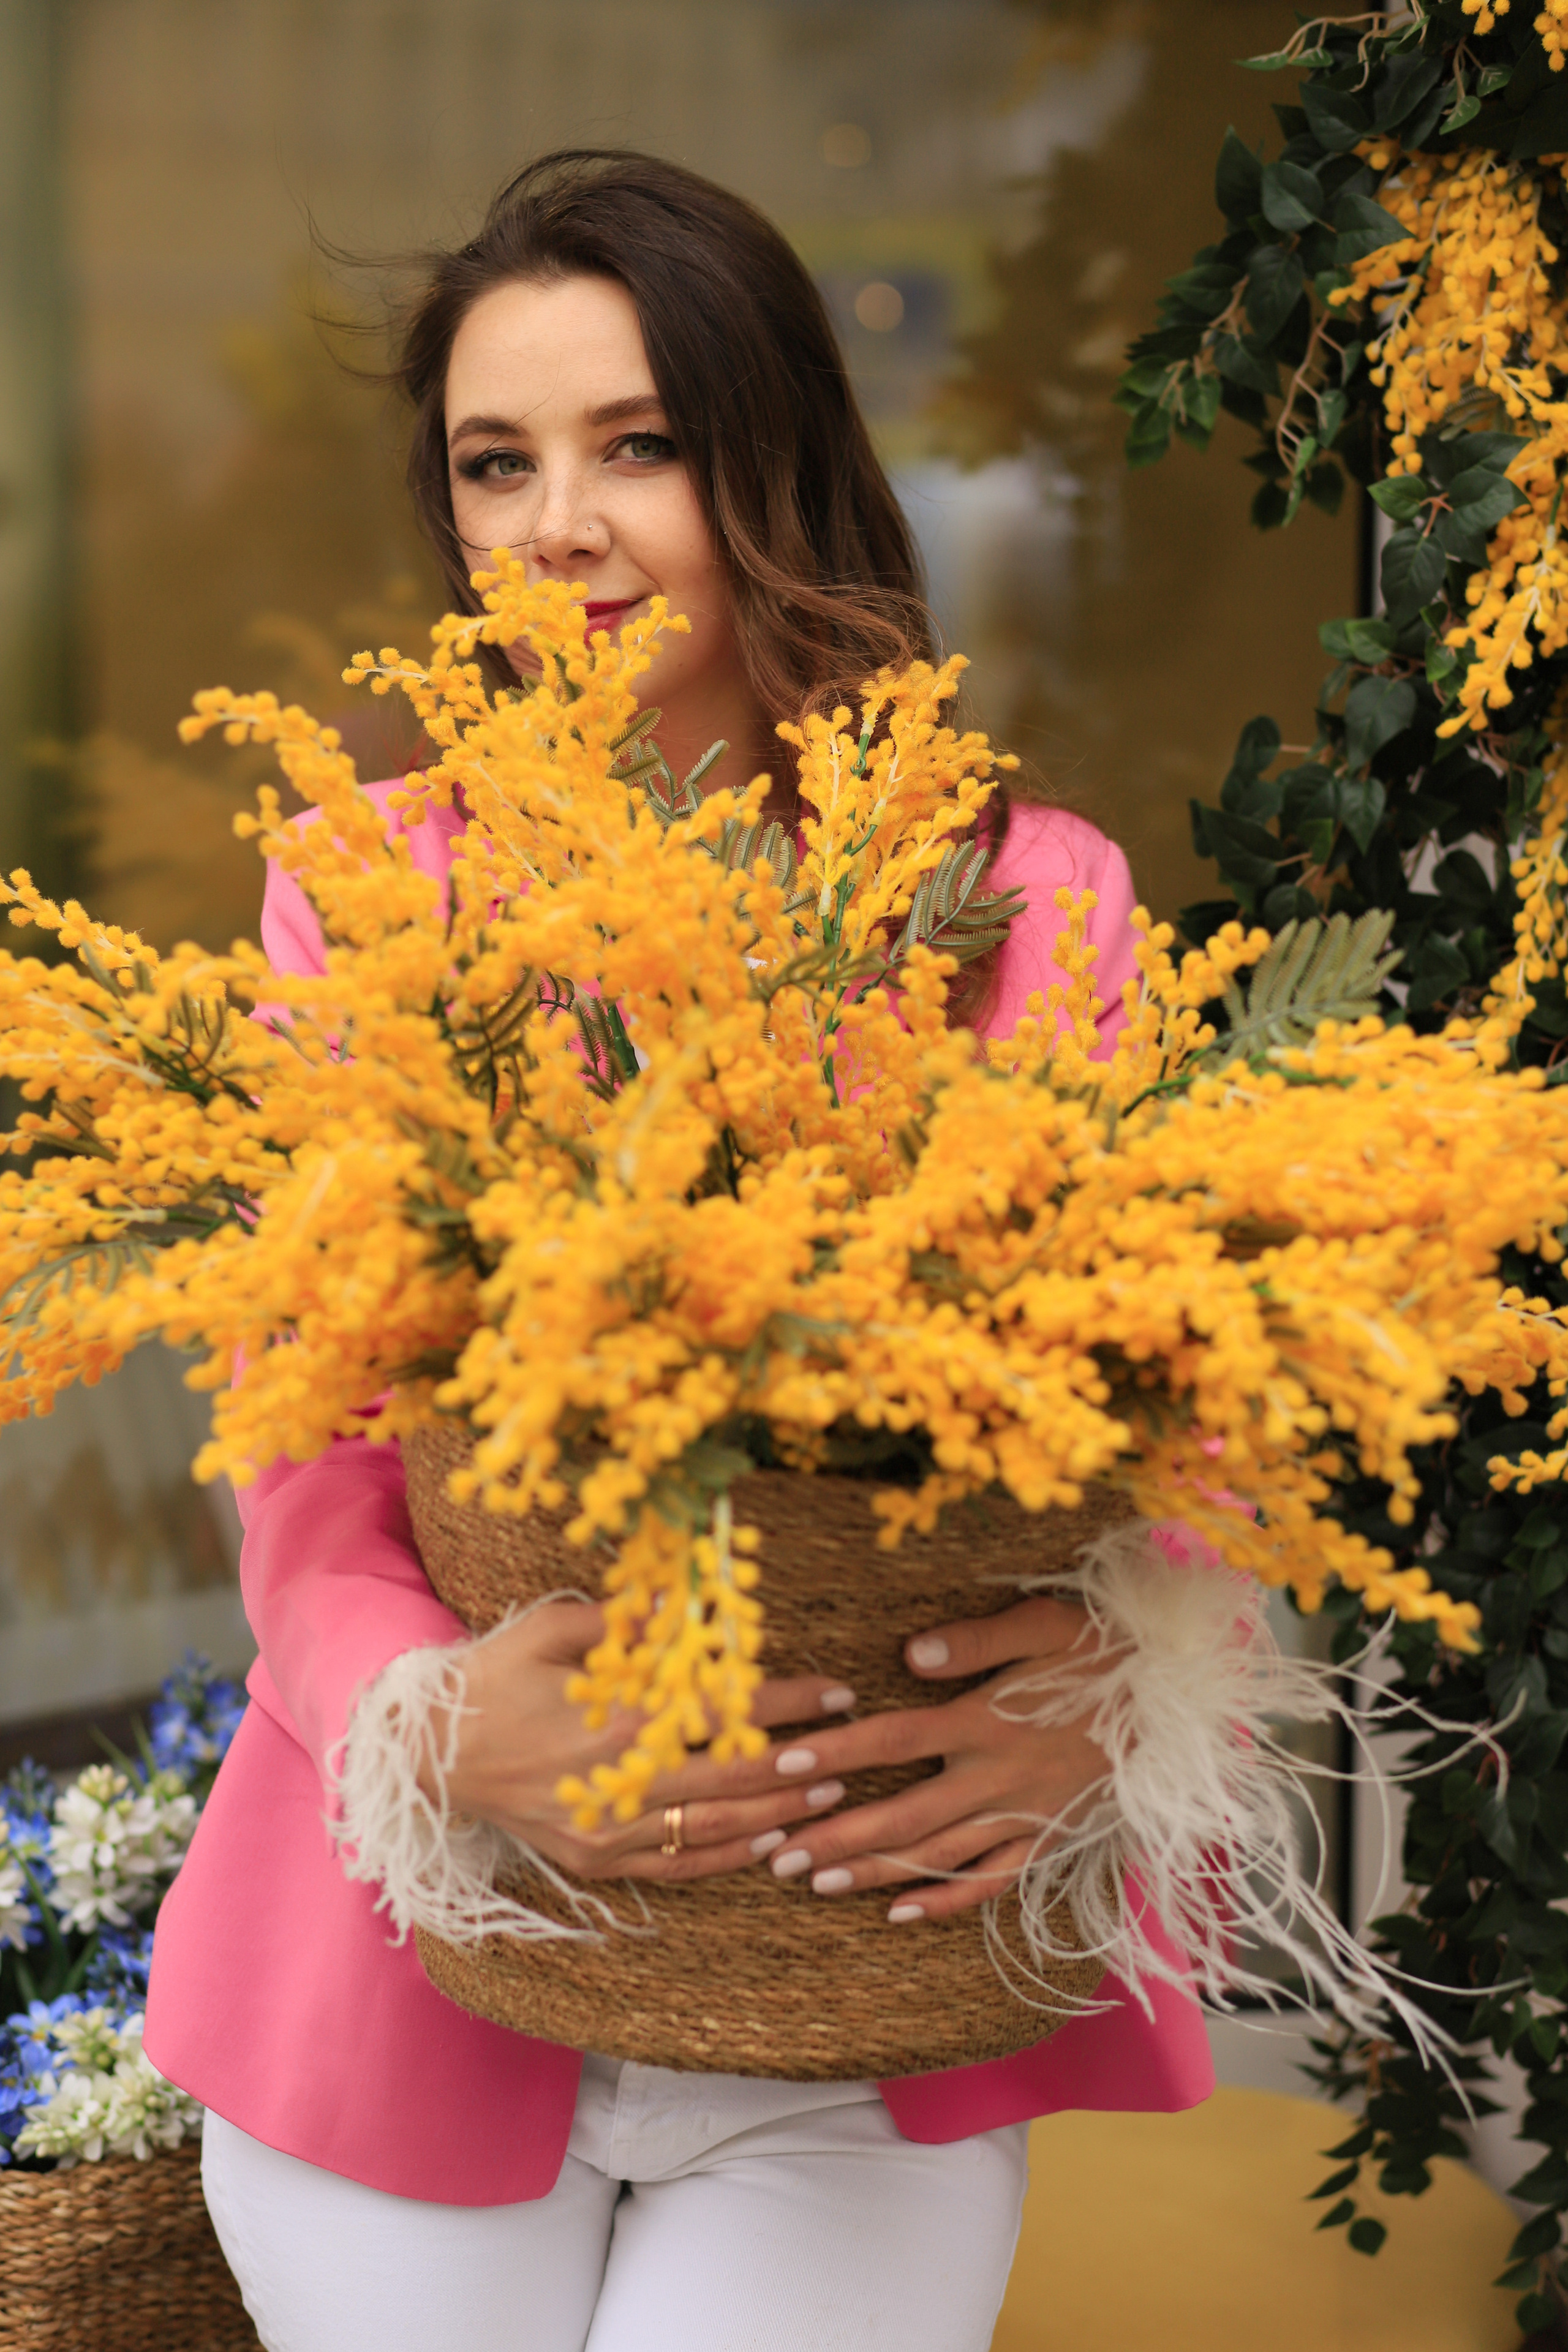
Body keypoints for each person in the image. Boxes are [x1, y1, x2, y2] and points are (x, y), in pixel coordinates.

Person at [145, 151, 1214, 2352]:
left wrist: (1120, 1693)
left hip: (867, 1976)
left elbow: (1190, 1393)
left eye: (641, 443)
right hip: (406, 1959)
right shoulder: (362, 904)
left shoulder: (1039, 905)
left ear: (773, 459)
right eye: (495, 464)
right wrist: (425, 1724)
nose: (561, 524)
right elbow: (310, 1443)